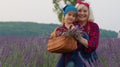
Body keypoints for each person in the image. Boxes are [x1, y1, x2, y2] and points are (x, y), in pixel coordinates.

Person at [74, 0, 100, 66]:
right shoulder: (72, 25)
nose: (82, 13)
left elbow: (94, 45)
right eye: (79, 11)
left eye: (85, 11)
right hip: (74, 59)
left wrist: (80, 39)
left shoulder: (94, 26)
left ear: (89, 13)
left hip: (90, 60)